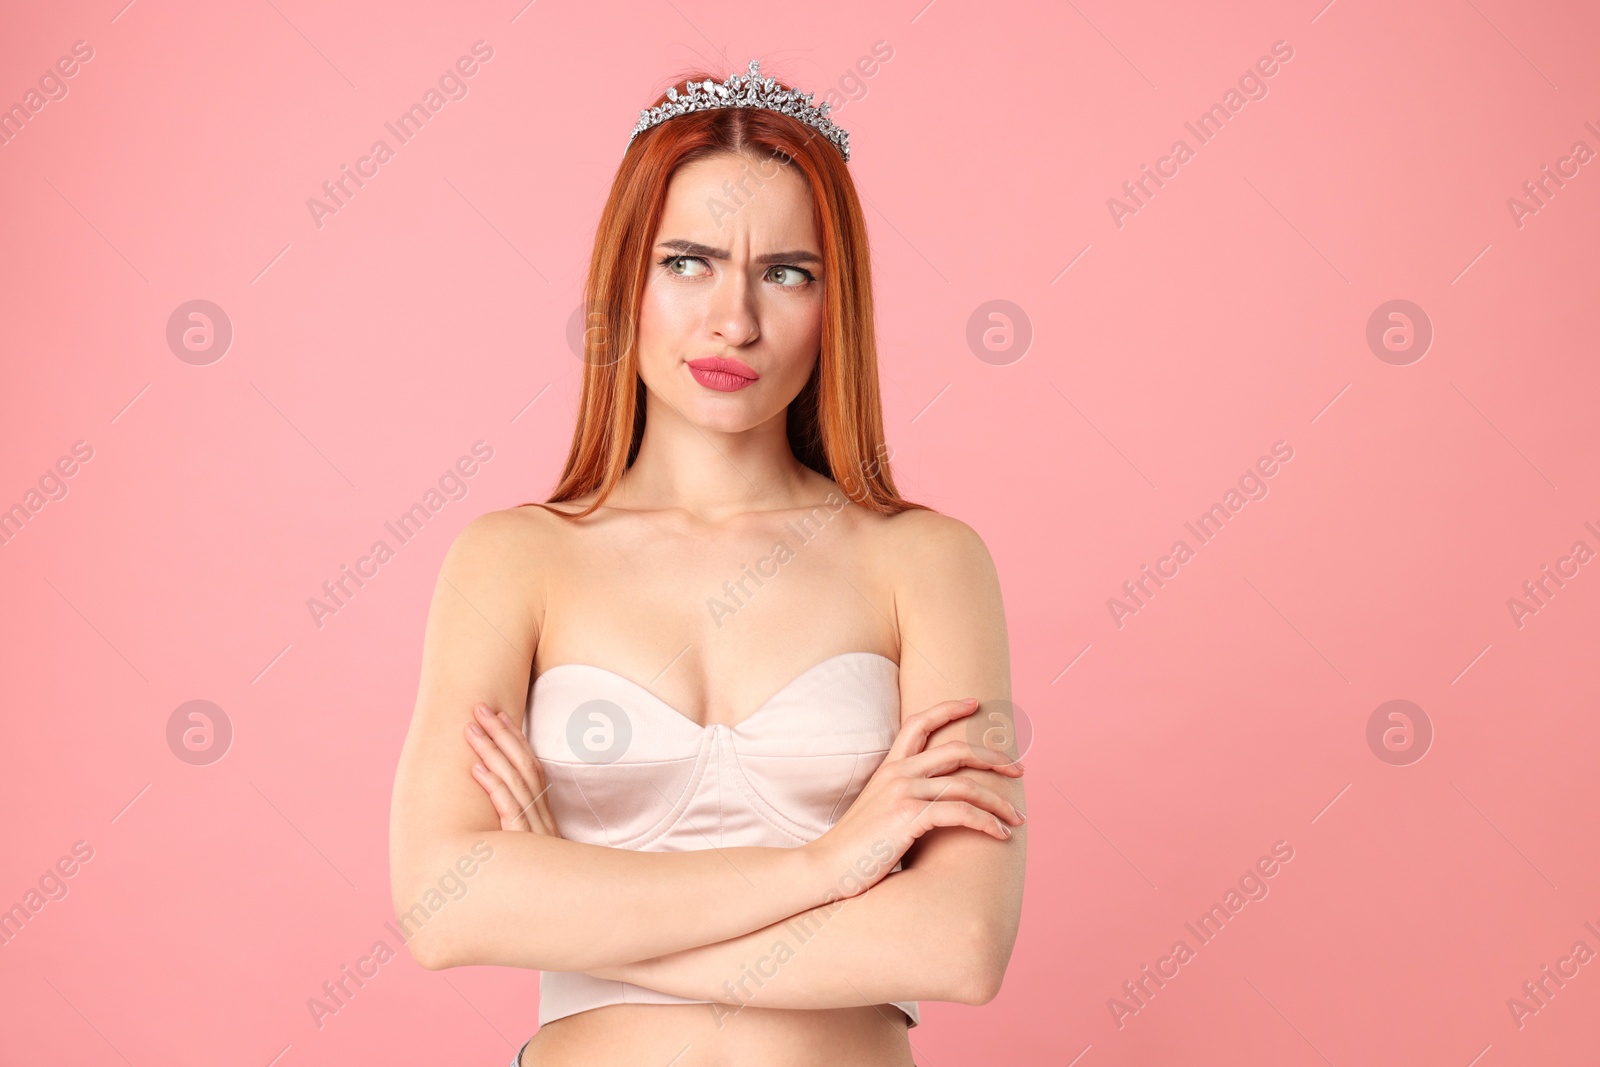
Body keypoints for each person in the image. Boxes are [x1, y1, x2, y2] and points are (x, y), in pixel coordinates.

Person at [388, 59, 1027, 1067]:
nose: (733, 320)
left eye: (785, 271)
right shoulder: (514, 558)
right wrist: (828, 864)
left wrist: (568, 903)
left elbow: (957, 942)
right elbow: (442, 905)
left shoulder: (930, 563)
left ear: (836, 301)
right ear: (624, 278)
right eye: (686, 261)